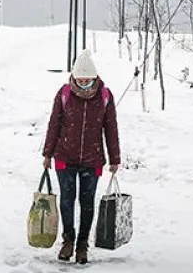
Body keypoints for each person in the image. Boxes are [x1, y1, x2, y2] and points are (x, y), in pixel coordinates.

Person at [42, 48, 120, 264]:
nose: (84, 82)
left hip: (92, 159)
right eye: (80, 78)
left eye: (88, 79)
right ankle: (68, 240)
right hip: (64, 157)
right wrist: (47, 153)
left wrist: (115, 158)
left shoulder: (104, 96)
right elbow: (54, 124)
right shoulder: (64, 93)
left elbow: (111, 128)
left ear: (94, 77)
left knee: (87, 203)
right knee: (67, 201)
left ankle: (82, 244)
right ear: (74, 77)